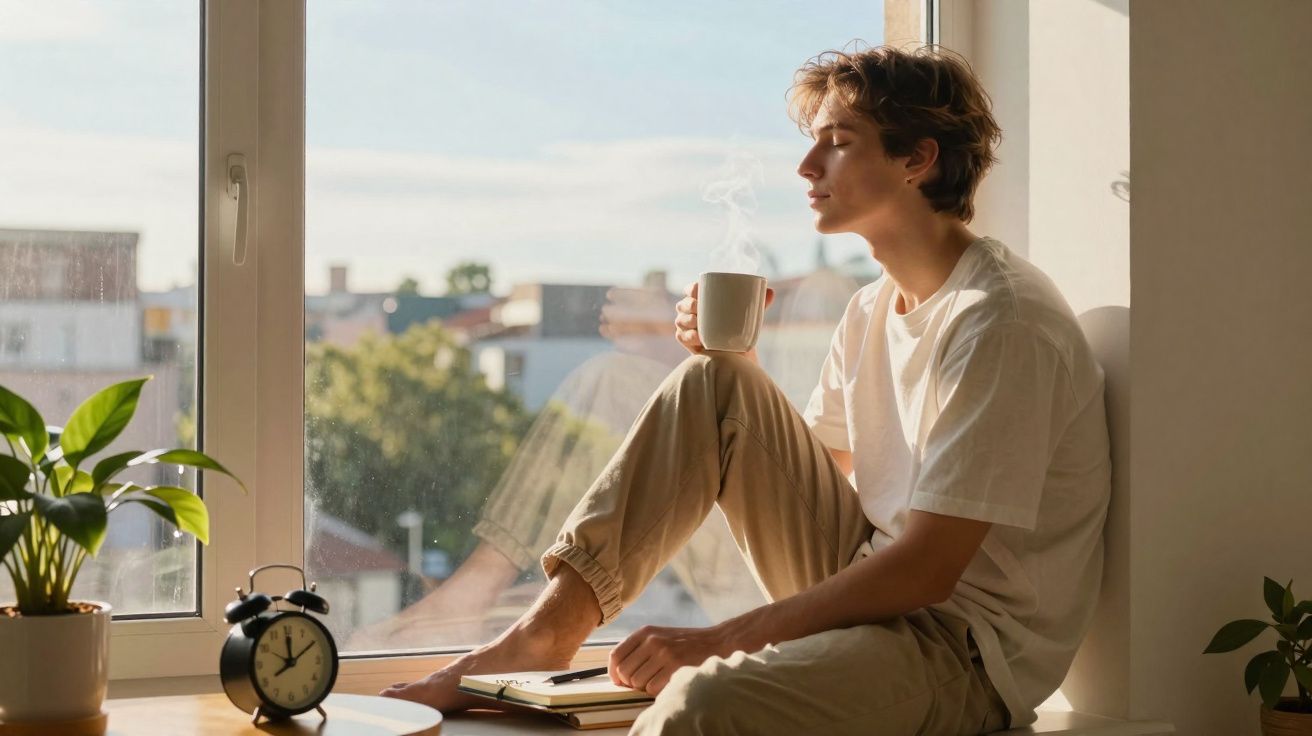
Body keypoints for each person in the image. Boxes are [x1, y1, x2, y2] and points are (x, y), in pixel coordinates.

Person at [381, 43, 1111, 736]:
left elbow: (928, 567)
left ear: (918, 159)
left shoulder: (1000, 322)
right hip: (875, 591)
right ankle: (544, 635)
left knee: (706, 701)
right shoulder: (870, 306)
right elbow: (823, 476)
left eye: (839, 141)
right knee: (716, 377)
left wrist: (717, 643)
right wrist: (739, 374)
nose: (805, 165)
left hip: (963, 650)